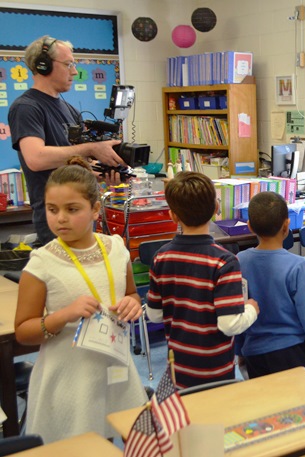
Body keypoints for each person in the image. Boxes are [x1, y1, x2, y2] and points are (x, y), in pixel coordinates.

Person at [13, 157, 147, 444]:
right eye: (52, 209)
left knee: (113, 439)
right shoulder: (42, 263)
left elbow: (132, 294)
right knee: (77, 445)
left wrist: (133, 304)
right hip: (68, 379)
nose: (60, 218)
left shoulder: (116, 248)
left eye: (72, 209)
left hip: (115, 369)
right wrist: (64, 315)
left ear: (95, 209)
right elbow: (24, 331)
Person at [146, 171, 259, 389]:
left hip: (178, 368)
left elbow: (155, 314)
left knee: (189, 420)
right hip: (216, 371)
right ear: (216, 209)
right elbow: (229, 324)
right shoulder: (225, 261)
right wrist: (252, 309)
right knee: (215, 419)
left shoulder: (161, 256)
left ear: (173, 216)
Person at [8, 35, 125, 245]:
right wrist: (92, 148)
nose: (73, 71)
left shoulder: (69, 109)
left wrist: (103, 172)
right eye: (68, 64)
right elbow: (36, 158)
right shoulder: (26, 107)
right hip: (56, 218)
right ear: (43, 66)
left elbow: (76, 162)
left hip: (82, 214)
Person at [235, 191, 305, 379]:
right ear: (287, 226)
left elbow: (238, 310)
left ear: (250, 227)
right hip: (291, 352)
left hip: (254, 352)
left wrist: (239, 349)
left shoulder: (239, 261)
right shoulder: (297, 266)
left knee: (267, 406)